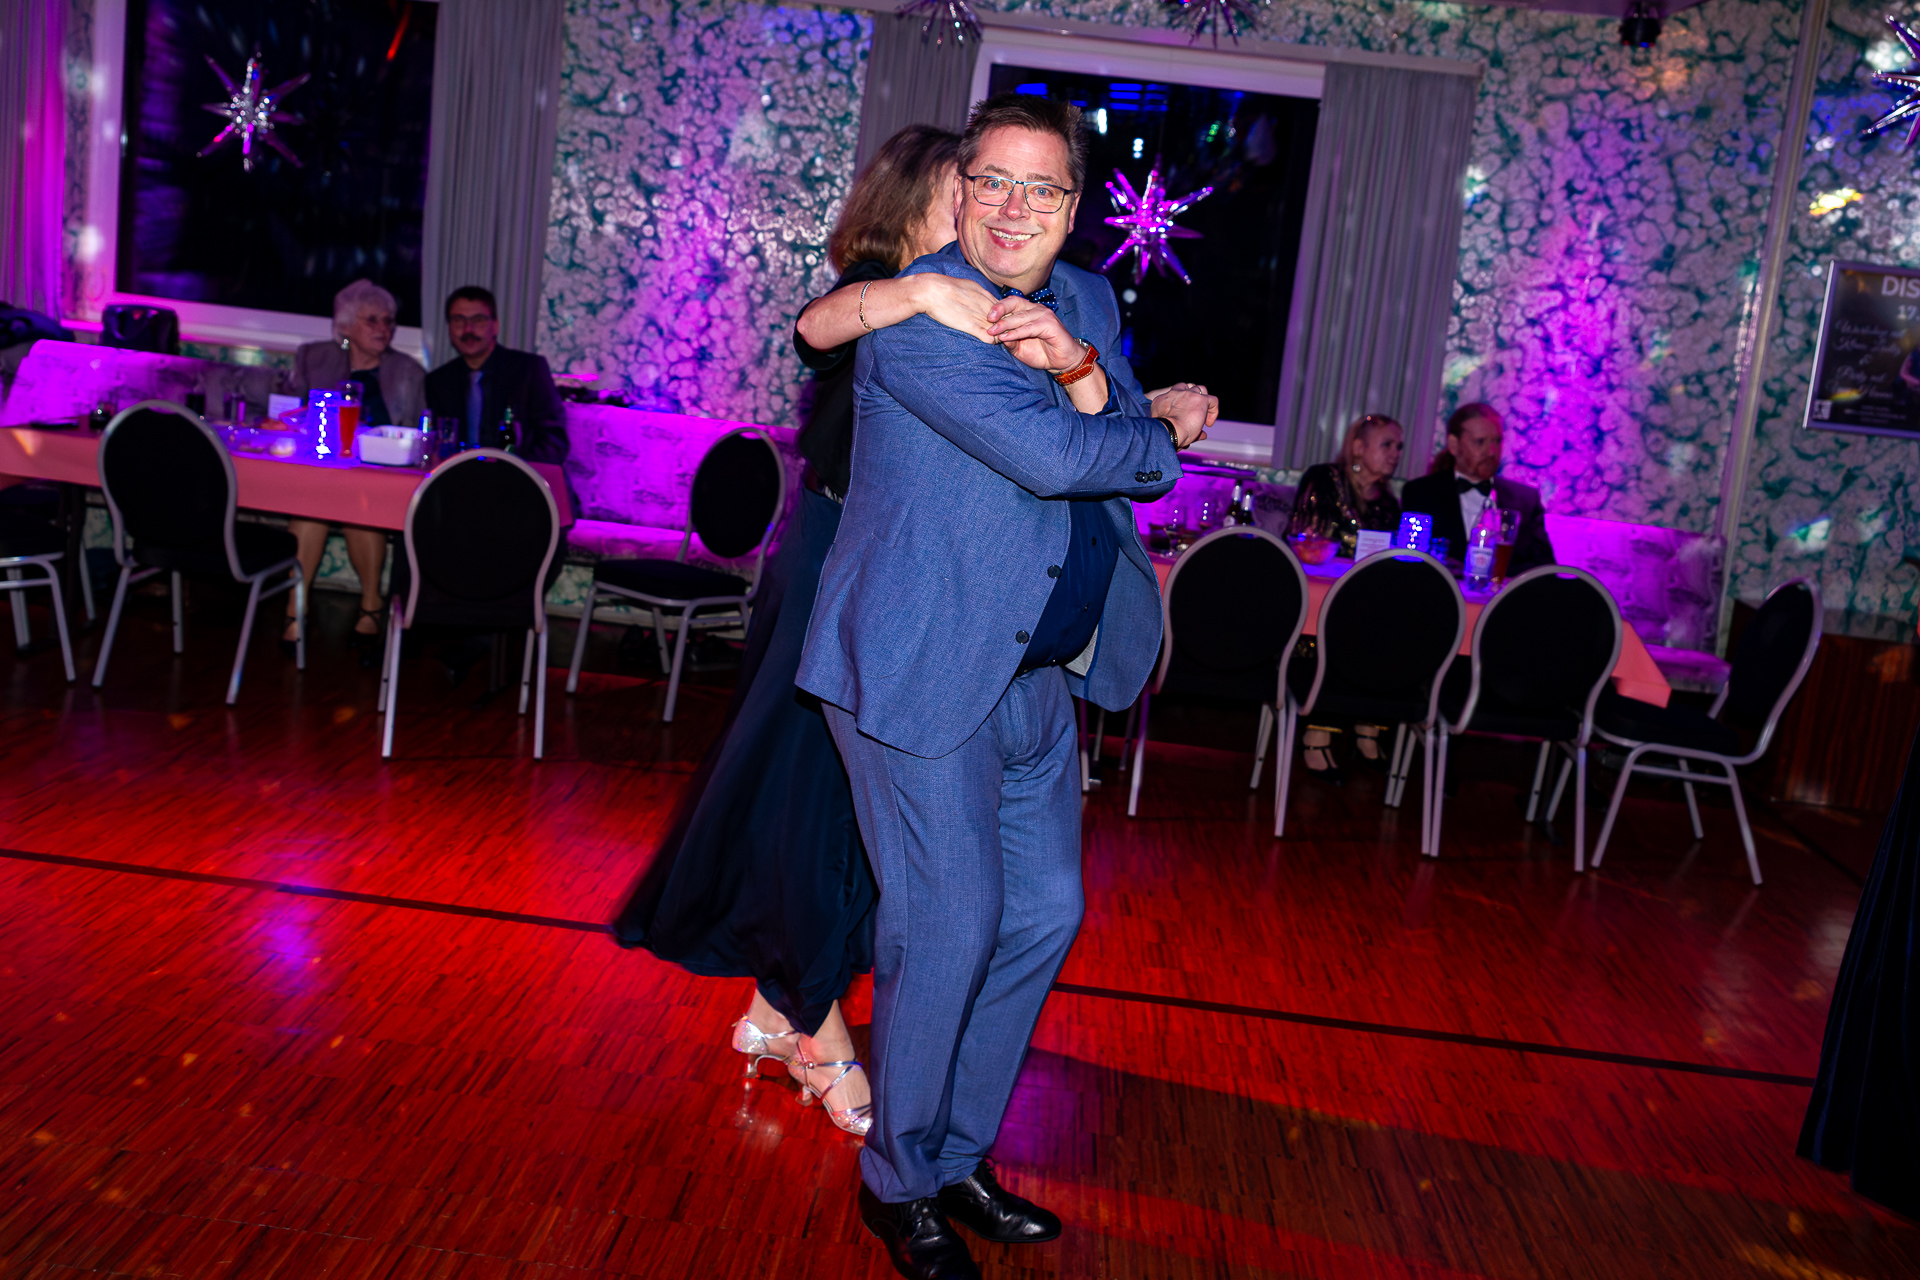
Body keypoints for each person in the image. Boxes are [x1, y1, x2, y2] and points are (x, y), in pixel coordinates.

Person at [796, 93, 1216, 1280]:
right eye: (994, 181)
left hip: (1038, 667)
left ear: (1075, 207)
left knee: (1041, 915)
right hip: (922, 666)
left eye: (1043, 187)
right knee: (948, 920)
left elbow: (1106, 422)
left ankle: (955, 1154)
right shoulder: (923, 320)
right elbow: (1072, 454)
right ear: (960, 188)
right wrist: (1152, 424)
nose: (1015, 207)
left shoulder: (1085, 298)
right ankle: (898, 1182)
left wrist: (1093, 378)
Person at [611, 124, 1000, 1140]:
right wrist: (923, 294)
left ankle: (776, 1007)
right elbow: (813, 329)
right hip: (833, 567)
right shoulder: (877, 297)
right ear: (913, 202)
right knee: (808, 804)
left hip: (886, 577)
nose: (982, 207)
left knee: (839, 812)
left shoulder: (962, 302)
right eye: (965, 188)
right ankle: (816, 1028)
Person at [284, 279, 426, 647]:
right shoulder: (314, 358)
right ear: (345, 326)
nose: (384, 329)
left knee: (360, 507)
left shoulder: (408, 371)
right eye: (372, 320)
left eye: (389, 321)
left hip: (378, 477)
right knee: (309, 510)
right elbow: (291, 414)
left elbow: (417, 436)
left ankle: (371, 603)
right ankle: (296, 606)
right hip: (322, 472)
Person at [1285, 413, 1405, 778]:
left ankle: (1368, 726)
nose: (1396, 454)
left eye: (1399, 447)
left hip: (1365, 601)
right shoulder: (1324, 479)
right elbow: (1306, 538)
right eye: (1387, 444)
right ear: (1358, 447)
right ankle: (1317, 733)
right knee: (1343, 628)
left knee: (1393, 627)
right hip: (1314, 600)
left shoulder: (1388, 503)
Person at [1400, 403, 1554, 573]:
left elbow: (1544, 568)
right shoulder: (1421, 493)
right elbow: (1410, 559)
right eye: (1480, 442)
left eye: (1497, 441)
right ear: (1454, 445)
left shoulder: (1525, 500)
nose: (1492, 452)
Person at [423, 286, 568, 465]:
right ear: (449, 327)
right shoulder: (438, 381)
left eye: (478, 321)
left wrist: (513, 473)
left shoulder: (529, 370)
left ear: (495, 326)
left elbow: (554, 443)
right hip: (457, 477)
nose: (468, 329)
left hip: (519, 476)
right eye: (459, 320)